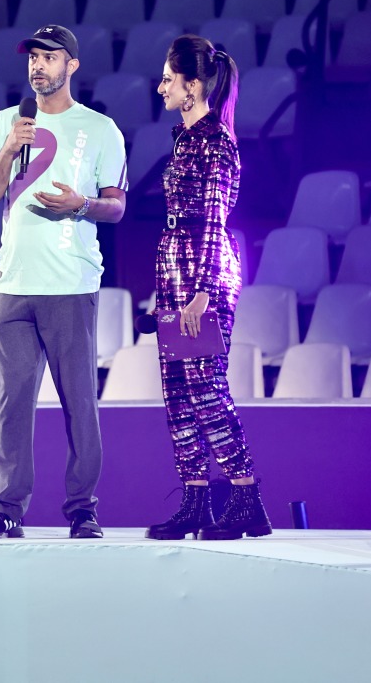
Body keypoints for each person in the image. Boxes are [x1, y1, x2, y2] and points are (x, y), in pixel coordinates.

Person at [0, 24, 128, 539]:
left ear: (72, 66)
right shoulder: (7, 122)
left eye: (50, 57)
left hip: (70, 284)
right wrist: (5, 151)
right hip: (13, 283)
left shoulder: (101, 129)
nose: (39, 66)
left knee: (78, 400)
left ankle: (83, 506)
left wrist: (80, 205)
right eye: (33, 58)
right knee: (14, 399)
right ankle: (8, 506)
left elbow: (118, 206)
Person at [144, 35, 273, 541]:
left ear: (192, 85)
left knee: (205, 386)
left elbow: (216, 218)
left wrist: (200, 291)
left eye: (168, 79)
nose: (160, 88)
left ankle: (246, 499)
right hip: (177, 266)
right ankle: (196, 499)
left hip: (204, 271)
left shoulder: (216, 140)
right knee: (178, 390)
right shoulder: (185, 136)